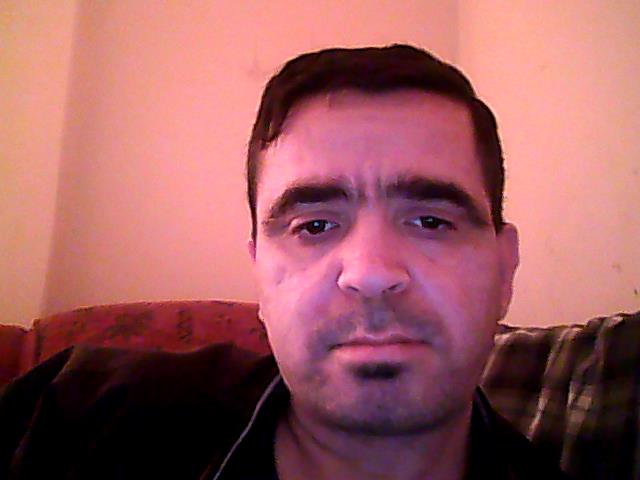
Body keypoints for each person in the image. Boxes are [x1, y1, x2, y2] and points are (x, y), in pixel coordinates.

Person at [0, 45, 569, 479]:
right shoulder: (73, 416)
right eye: (314, 226)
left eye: (431, 221)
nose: (370, 273)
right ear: (260, 276)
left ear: (505, 270)